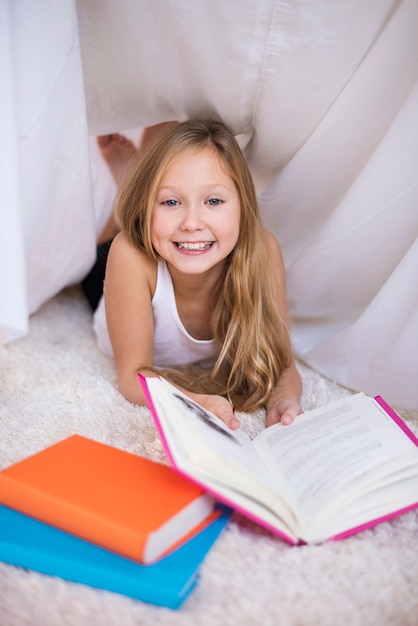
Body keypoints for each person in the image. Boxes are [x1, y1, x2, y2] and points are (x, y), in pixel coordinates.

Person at [89, 118, 302, 429]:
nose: (192, 223)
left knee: (163, 222)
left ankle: (142, 184)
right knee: (101, 252)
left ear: (243, 205)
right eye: (171, 201)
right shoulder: (130, 256)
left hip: (164, 242)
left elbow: (282, 362)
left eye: (213, 201)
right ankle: (129, 186)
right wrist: (197, 401)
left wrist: (284, 398)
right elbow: (134, 375)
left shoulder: (263, 249)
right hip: (113, 280)